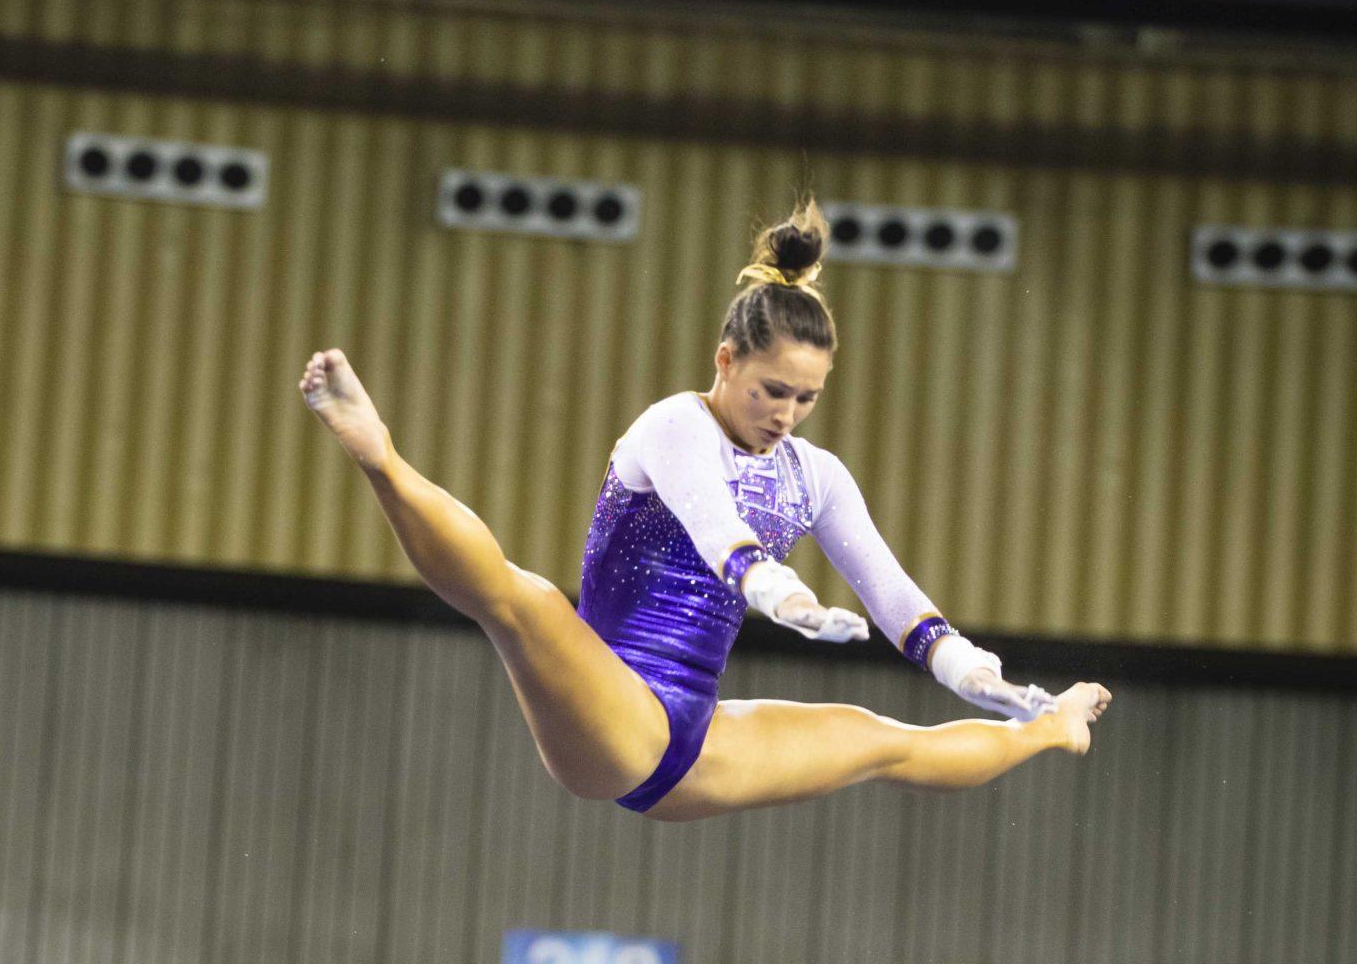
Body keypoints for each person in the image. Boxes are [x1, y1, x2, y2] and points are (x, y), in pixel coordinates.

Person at [297, 201, 1108, 822]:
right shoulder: (675, 425)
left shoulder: (815, 475)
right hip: (614, 708)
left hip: (697, 743)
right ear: (726, 361)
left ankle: (1052, 726)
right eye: (771, 391)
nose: (787, 412)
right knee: (523, 600)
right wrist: (786, 599)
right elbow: (727, 539)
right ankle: (380, 455)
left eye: (807, 397)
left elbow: (902, 606)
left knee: (883, 740)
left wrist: (982, 678)